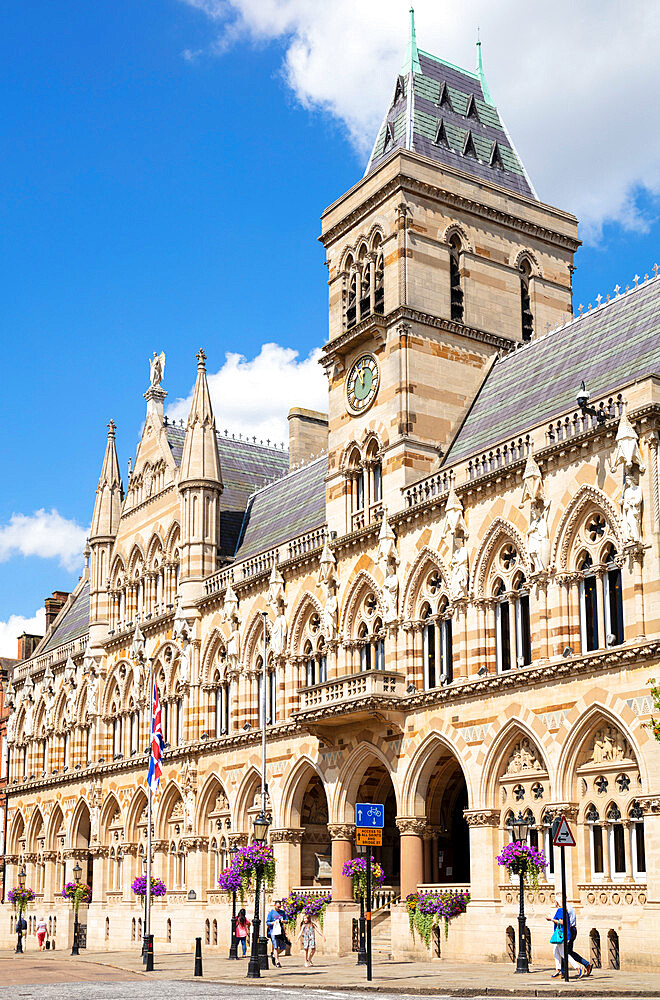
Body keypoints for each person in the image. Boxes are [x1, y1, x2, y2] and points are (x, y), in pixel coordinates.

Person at [546, 899, 583, 978]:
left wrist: (551, 919)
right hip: (564, 934)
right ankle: (558, 970)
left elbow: (562, 922)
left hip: (562, 935)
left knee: (563, 953)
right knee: (555, 951)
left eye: (555, 901)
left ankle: (578, 967)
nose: (554, 902)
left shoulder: (560, 910)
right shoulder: (564, 910)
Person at [565, 904, 592, 976]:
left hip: (568, 930)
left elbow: (564, 922)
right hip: (573, 929)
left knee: (563, 952)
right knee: (569, 952)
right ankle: (586, 964)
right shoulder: (569, 907)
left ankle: (563, 972)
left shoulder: (565, 908)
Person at [265, 899, 287, 968]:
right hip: (273, 931)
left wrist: (283, 921)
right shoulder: (271, 913)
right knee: (275, 946)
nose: (279, 908)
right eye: (277, 907)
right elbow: (267, 922)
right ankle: (277, 962)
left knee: (283, 947)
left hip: (280, 931)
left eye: (280, 907)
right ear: (274, 905)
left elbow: (287, 920)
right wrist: (274, 923)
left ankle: (274, 955)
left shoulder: (282, 912)